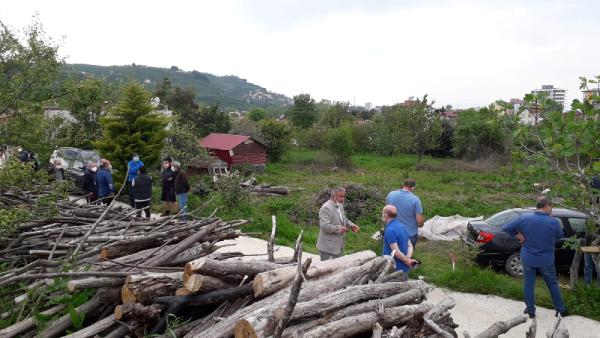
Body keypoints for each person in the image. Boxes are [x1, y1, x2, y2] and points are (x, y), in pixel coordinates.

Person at [502, 196, 568, 318]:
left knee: (528, 284)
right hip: (546, 260)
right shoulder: (553, 222)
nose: (551, 210)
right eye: (551, 207)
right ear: (547, 207)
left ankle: (530, 311)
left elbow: (505, 228)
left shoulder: (524, 218)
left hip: (528, 257)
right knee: (552, 284)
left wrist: (518, 235)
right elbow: (560, 236)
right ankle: (561, 310)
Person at [316, 187, 360, 261]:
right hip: (328, 248)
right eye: (340, 196)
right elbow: (325, 226)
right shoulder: (326, 208)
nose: (343, 199)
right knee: (327, 270)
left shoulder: (339, 205)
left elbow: (343, 219)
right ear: (333, 196)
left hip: (338, 247)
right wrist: (339, 229)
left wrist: (351, 225)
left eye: (344, 196)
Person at [386, 179, 424, 248]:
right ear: (413, 188)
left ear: (403, 185)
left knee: (392, 254)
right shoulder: (416, 199)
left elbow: (386, 210)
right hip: (410, 234)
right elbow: (419, 221)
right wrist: (420, 224)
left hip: (392, 231)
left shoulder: (391, 194)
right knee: (407, 255)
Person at [382, 205, 417, 276]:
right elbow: (410, 246)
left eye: (382, 213)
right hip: (405, 269)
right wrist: (408, 259)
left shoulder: (390, 230)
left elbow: (396, 252)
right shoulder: (402, 226)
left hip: (393, 269)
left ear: (385, 215)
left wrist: (407, 260)